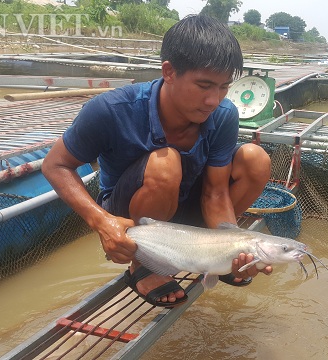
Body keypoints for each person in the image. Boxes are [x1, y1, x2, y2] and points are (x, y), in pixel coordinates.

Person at [42, 15, 272, 308]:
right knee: (166, 163)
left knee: (256, 159)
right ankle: (144, 265)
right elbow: (55, 165)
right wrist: (101, 221)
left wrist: (233, 246)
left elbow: (215, 193)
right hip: (134, 214)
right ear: (169, 71)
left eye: (224, 87)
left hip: (188, 205)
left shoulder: (223, 114)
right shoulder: (111, 109)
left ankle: (213, 256)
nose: (214, 100)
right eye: (204, 85)